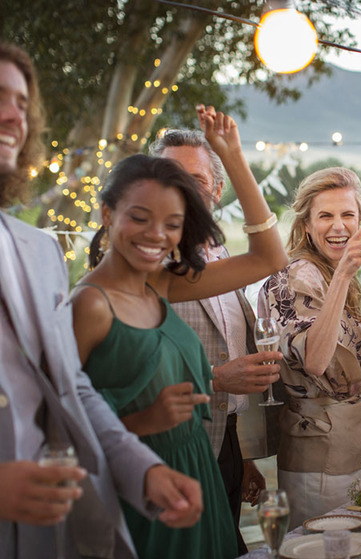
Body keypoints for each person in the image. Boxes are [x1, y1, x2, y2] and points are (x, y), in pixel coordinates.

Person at [0, 41, 203, 559]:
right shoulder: (91, 296)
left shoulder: (40, 251)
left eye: (22, 103)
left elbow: (72, 390)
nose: (12, 116)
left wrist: (144, 468)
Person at [70, 106, 287, 558]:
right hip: (145, 480)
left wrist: (233, 155)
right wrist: (146, 420)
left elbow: (269, 258)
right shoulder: (88, 304)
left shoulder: (162, 281)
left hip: (199, 468)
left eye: (172, 222)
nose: (158, 235)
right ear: (108, 213)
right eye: (141, 217)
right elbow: (60, 421)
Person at [150, 128, 286, 555]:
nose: (185, 190)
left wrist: (242, 454)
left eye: (197, 179)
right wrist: (216, 379)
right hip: (173, 448)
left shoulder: (221, 253)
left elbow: (228, 343)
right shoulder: (150, 265)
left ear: (218, 188)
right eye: (172, 177)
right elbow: (131, 377)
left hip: (224, 439)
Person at [257, 167, 361, 529]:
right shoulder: (293, 277)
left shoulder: (330, 269)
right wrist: (345, 274)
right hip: (317, 450)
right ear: (306, 225)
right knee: (325, 547)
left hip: (351, 442)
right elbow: (316, 363)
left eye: (347, 215)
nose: (338, 226)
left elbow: (336, 353)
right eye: (326, 216)